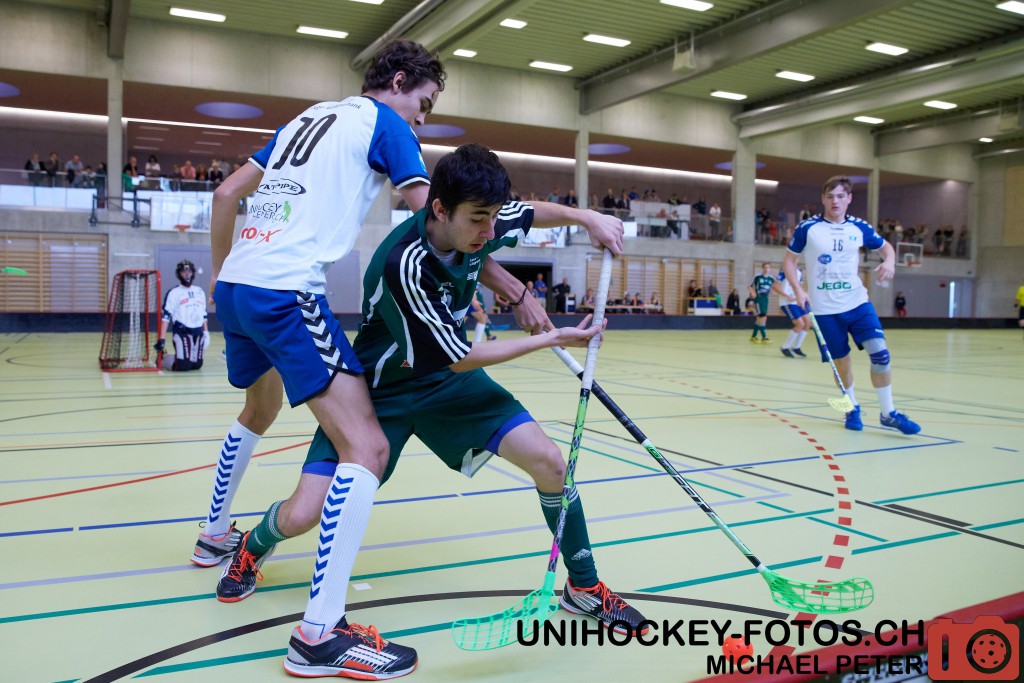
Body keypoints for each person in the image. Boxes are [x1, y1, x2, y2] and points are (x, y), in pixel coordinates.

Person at [226, 144, 646, 649]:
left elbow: (531, 213)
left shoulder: (481, 216)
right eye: (478, 220)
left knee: (552, 465)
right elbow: (459, 356)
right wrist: (550, 339)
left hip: (446, 386)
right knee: (303, 514)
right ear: (440, 209)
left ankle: (584, 587)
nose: (489, 232)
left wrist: (588, 218)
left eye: (493, 218)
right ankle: (252, 544)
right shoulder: (404, 264)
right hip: (380, 392)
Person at [192, 39, 448, 679]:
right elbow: (433, 220)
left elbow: (225, 195)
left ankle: (213, 534)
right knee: (368, 448)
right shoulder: (385, 125)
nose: (422, 119)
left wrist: (223, 276)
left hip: (240, 287)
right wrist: (495, 281)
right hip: (285, 292)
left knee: (259, 409)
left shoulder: (308, 117)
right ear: (399, 81)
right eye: (424, 103)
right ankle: (319, 634)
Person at [783, 175, 921, 434]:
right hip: (824, 310)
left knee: (880, 354)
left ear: (849, 198)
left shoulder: (859, 227)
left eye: (840, 196)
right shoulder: (808, 228)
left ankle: (888, 413)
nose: (835, 201)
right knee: (842, 364)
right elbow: (789, 260)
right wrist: (799, 290)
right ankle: (851, 407)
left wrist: (890, 262)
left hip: (857, 303)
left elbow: (886, 248)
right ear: (823, 199)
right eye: (830, 196)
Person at [155, 260, 209, 371]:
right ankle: (163, 357)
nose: (187, 274)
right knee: (183, 366)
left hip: (198, 332)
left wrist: (206, 332)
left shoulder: (199, 291)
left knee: (197, 365)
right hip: (182, 332)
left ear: (193, 273)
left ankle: (184, 358)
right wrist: (162, 339)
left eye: (189, 272)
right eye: (184, 272)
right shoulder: (174, 292)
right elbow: (166, 317)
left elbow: (204, 314)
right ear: (179, 274)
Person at [771, 267, 808, 358]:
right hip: (787, 303)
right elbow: (774, 286)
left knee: (807, 322)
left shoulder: (799, 271)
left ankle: (796, 347)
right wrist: (787, 296)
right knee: (800, 324)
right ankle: (785, 347)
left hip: (797, 302)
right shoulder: (785, 270)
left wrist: (804, 295)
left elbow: (799, 286)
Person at [748, 262, 774, 343]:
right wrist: (753, 292)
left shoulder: (771, 278)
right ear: (762, 268)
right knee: (763, 317)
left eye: (768, 267)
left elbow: (773, 287)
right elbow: (749, 285)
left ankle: (753, 336)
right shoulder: (757, 277)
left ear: (770, 269)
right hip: (759, 298)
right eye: (765, 267)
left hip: (766, 299)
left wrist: (771, 291)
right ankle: (764, 337)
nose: (766, 269)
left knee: (759, 318)